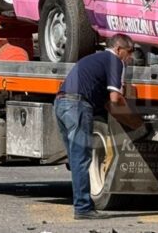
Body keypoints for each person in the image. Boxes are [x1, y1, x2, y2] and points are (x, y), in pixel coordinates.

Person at [54, 33, 136, 220]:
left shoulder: (95, 59)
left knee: (76, 159)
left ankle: (82, 204)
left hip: (61, 104)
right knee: (81, 159)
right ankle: (83, 208)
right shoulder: (115, 61)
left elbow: (106, 102)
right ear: (118, 49)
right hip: (77, 106)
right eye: (129, 51)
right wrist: (135, 122)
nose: (130, 57)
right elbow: (115, 99)